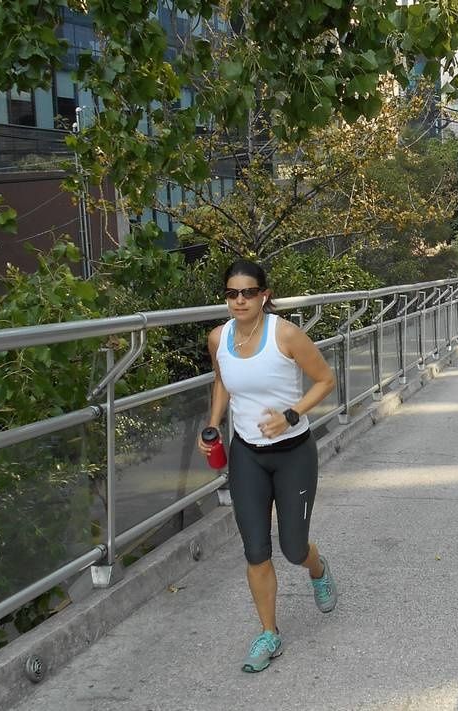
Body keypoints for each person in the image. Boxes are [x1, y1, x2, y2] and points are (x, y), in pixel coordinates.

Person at [198, 259, 338, 674]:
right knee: (255, 550)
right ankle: (269, 633)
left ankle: (318, 568)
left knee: (293, 549)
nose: (238, 300)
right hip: (247, 455)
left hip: (293, 452)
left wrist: (291, 415)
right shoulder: (217, 339)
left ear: (264, 295)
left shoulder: (286, 335)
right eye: (231, 293)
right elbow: (222, 381)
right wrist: (211, 426)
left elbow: (325, 380)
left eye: (247, 292)